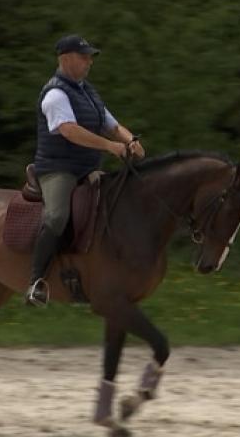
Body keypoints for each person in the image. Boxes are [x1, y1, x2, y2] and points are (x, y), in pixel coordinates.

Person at [26, 34, 145, 307]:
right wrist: (110, 147)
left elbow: (112, 125)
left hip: (87, 168)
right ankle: (36, 282)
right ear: (66, 59)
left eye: (90, 57)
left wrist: (131, 141)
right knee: (57, 217)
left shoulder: (87, 92)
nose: (89, 62)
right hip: (58, 169)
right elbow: (69, 131)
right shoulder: (55, 95)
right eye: (84, 57)